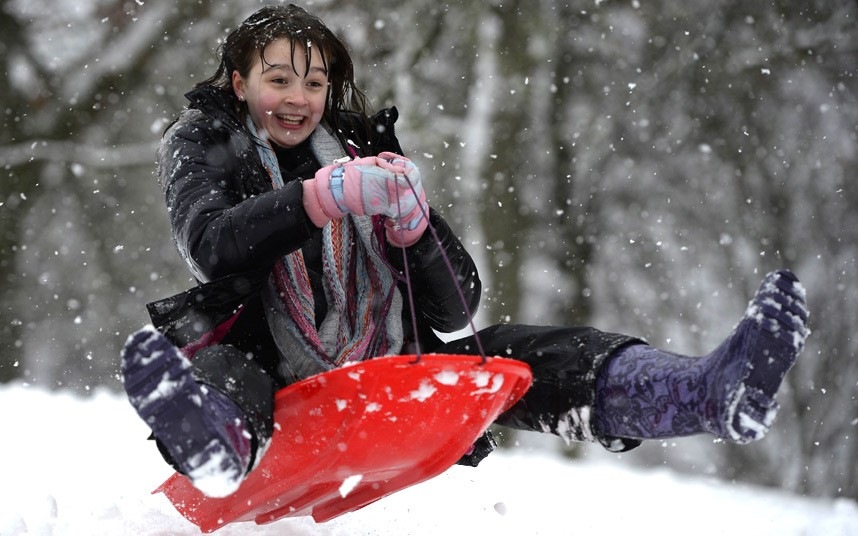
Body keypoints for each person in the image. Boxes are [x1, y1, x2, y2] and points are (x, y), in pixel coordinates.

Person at [121, 4, 810, 498]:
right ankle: (216, 444)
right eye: (278, 79)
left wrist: (416, 230)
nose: (299, 99)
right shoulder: (205, 141)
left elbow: (456, 306)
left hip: (382, 369)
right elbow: (212, 247)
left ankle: (705, 394)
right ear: (239, 83)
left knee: (513, 355)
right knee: (223, 368)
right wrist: (318, 198)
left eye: (315, 82)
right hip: (272, 380)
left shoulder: (363, 150)